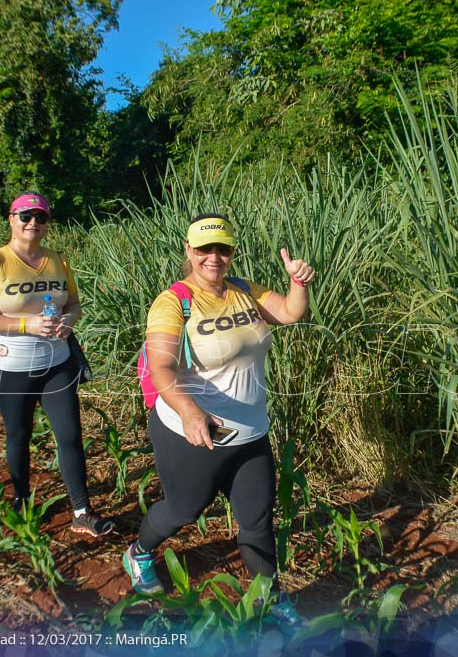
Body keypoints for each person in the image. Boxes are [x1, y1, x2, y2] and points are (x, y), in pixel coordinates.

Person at [122, 213, 315, 626]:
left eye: (222, 249)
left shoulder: (244, 290)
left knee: (257, 522)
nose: (214, 257)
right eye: (204, 249)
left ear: (232, 253)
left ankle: (271, 598)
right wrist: (190, 412)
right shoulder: (173, 301)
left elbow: (289, 314)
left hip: (250, 432)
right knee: (183, 510)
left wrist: (298, 283)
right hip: (191, 430)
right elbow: (161, 368)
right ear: (189, 252)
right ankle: (138, 552)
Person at [0, 192, 113, 536]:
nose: (34, 223)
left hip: (56, 363)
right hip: (10, 366)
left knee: (70, 435)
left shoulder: (58, 260)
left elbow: (73, 304)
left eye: (41, 217)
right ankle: (21, 499)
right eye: (26, 216)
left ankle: (81, 511)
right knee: (19, 435)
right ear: (11, 219)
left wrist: (69, 321)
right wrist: (25, 325)